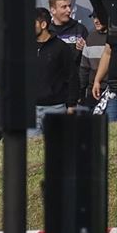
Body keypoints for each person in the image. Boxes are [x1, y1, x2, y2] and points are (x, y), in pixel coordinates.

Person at [32, 7, 77, 136]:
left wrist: (71, 105)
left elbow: (72, 77)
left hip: (56, 109)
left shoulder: (61, 48)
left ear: (43, 24)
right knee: (31, 153)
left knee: (56, 150)